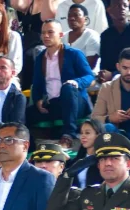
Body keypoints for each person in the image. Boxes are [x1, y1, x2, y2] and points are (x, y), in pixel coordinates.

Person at [28, 20, 95, 149]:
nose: (46, 36)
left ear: (60, 35)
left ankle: (68, 135)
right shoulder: (40, 58)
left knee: (68, 88)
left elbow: (90, 76)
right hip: (53, 104)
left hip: (75, 103)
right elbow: (36, 84)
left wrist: (76, 82)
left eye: (50, 32)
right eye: (43, 33)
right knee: (26, 113)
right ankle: (28, 146)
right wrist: (37, 100)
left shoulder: (74, 54)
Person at [99, 0, 130, 78]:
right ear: (109, 10)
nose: (122, 8)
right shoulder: (105, 35)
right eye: (117, 6)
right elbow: (104, 65)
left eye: (125, 6)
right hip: (110, 81)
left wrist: (113, 75)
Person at [62, 3, 100, 71]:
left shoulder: (91, 36)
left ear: (85, 19)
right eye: (69, 15)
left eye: (76, 15)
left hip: (85, 76)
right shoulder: (63, 37)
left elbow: (89, 65)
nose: (72, 18)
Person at [69, 119, 106, 188]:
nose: (83, 136)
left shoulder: (105, 160)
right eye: (81, 133)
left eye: (87, 133)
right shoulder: (77, 161)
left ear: (98, 135)